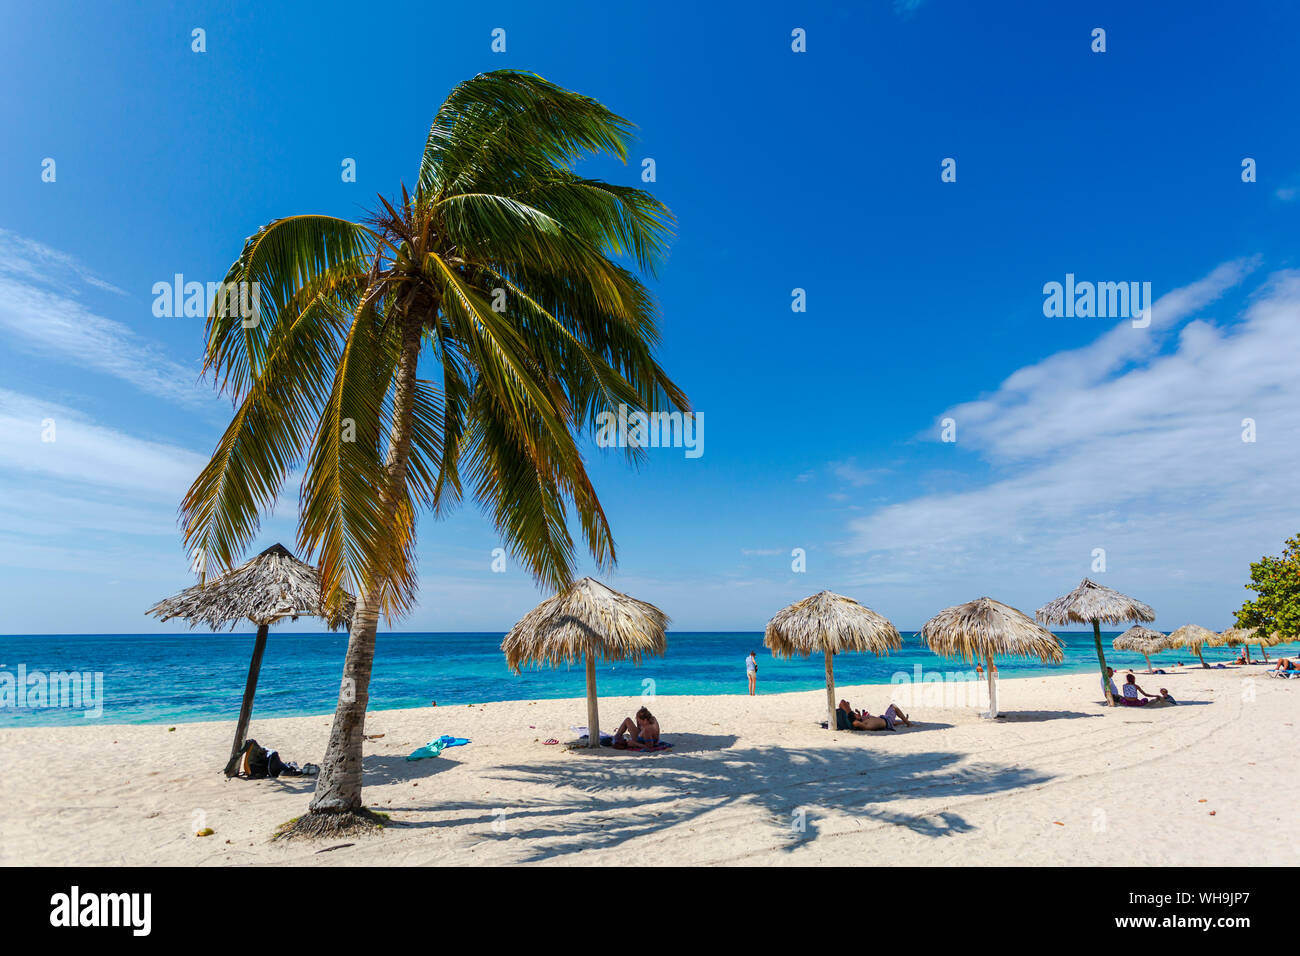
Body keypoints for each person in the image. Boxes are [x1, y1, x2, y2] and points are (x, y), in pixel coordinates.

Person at [835, 699, 911, 731]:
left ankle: (904, 722)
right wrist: (852, 714)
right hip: (886, 720)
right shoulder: (864, 724)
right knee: (893, 706)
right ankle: (908, 723)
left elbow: (856, 722)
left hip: (885, 720)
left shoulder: (863, 720)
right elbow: (855, 723)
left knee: (894, 722)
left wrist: (856, 714)